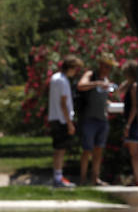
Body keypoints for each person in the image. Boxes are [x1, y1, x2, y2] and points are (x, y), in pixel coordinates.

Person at [76, 52, 117, 186]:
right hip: (89, 119)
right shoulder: (91, 75)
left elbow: (102, 98)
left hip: (102, 120)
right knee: (87, 150)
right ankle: (82, 179)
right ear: (100, 65)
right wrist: (96, 83)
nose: (108, 70)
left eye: (110, 67)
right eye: (107, 66)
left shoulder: (106, 81)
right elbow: (81, 86)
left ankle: (95, 179)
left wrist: (108, 102)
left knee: (99, 150)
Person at [48, 54, 84, 188]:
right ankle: (58, 178)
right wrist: (69, 123)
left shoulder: (55, 77)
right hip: (62, 119)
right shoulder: (63, 81)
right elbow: (63, 103)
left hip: (54, 117)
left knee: (58, 149)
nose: (75, 72)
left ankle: (58, 175)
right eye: (75, 69)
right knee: (61, 149)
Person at [119, 59, 138, 186]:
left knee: (135, 155)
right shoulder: (135, 84)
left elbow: (135, 107)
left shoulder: (134, 87)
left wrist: (128, 125)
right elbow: (119, 90)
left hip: (134, 123)